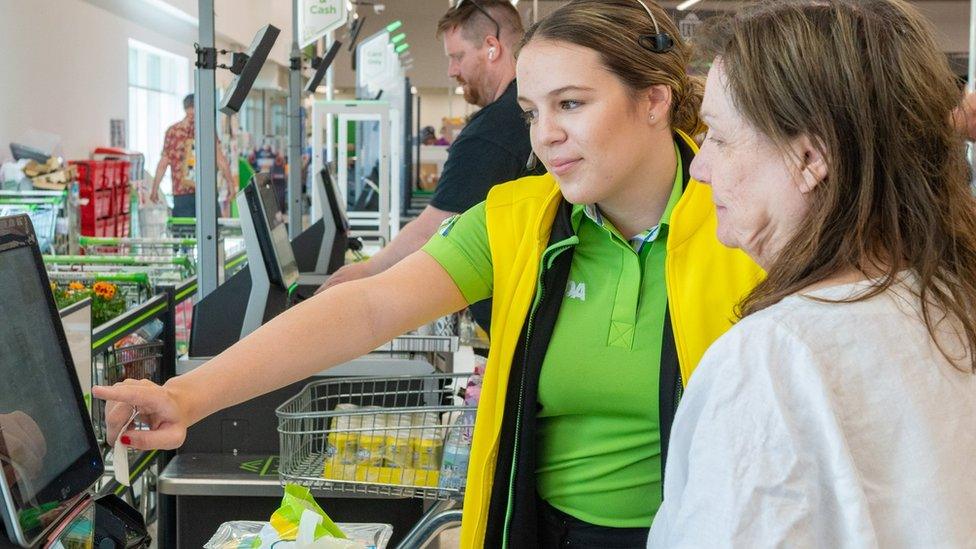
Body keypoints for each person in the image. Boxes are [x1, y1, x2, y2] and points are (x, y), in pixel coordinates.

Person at [92, 1, 761, 547]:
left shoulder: (750, 224)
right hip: (538, 528)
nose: (544, 136)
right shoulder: (519, 219)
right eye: (532, 112)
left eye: (572, 104)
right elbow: (370, 309)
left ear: (653, 99)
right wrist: (187, 395)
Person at [648, 1, 976, 546]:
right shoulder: (949, 297)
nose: (700, 169)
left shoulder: (774, 360)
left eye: (720, 137)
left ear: (809, 158)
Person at [321, 0, 544, 334]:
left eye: (457, 57)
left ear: (492, 48)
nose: (452, 71)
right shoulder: (529, 113)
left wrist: (368, 272)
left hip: (522, 323)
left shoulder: (491, 131)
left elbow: (435, 228)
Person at [150, 93, 237, 218]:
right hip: (206, 192)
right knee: (211, 233)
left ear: (185, 108)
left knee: (185, 233)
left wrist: (154, 189)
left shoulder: (172, 131)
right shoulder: (206, 129)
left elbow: (163, 164)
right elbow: (220, 160)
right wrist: (231, 185)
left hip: (181, 194)